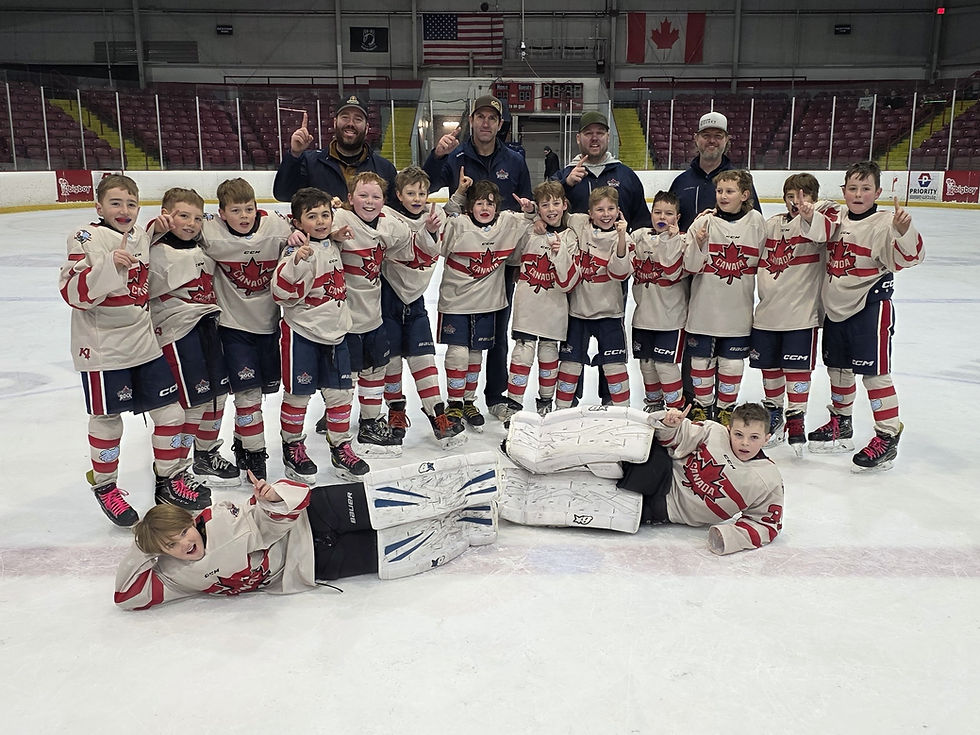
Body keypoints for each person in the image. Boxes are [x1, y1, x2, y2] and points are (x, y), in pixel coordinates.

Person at [114, 452, 499, 610]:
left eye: (181, 533)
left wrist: (270, 500)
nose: (185, 545)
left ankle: (466, 490)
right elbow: (126, 596)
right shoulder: (176, 575)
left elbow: (274, 520)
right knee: (391, 545)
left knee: (395, 502)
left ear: (188, 521)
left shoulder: (219, 514)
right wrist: (145, 539)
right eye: (171, 545)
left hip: (315, 517)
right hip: (314, 564)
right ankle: (466, 522)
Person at [58, 175, 210, 527]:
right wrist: (110, 265)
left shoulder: (141, 233)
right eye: (115, 203)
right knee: (108, 422)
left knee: (171, 414)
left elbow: (153, 231)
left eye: (130, 204)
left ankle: (170, 480)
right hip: (102, 349)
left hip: (144, 344)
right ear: (98, 207)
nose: (123, 211)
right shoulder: (85, 237)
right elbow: (74, 295)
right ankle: (106, 486)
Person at [498, 403, 784, 555]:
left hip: (666, 510)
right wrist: (670, 424)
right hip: (661, 473)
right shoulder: (713, 432)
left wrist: (730, 536)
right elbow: (676, 438)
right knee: (614, 448)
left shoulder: (767, 479)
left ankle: (529, 491)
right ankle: (533, 446)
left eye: (754, 437)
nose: (744, 443)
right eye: (739, 434)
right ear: (729, 428)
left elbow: (767, 523)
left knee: (594, 496)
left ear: (767, 439)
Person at [802, 161, 923, 472]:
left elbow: (911, 258)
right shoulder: (835, 216)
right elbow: (815, 229)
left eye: (865, 188)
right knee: (838, 369)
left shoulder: (886, 223)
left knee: (875, 374)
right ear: (844, 190)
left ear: (877, 192)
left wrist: (904, 230)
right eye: (852, 188)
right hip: (835, 306)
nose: (858, 194)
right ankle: (841, 423)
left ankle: (887, 436)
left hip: (870, 306)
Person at [423, 94, 533, 420]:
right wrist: (436, 155)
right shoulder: (456, 155)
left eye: (492, 118)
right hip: (467, 257)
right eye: (480, 117)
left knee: (496, 334)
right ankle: (460, 399)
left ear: (500, 125)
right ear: (471, 120)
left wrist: (516, 256)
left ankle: (494, 396)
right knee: (463, 346)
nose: (486, 123)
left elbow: (523, 205)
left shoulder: (514, 160)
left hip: (500, 259)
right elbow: (425, 185)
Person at [331, 172, 441, 456]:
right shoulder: (338, 220)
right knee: (345, 383)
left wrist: (428, 232)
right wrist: (323, 231)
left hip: (373, 316)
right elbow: (307, 227)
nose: (369, 202)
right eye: (363, 195)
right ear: (350, 198)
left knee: (375, 372)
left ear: (384, 200)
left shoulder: (391, 225)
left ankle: (369, 424)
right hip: (345, 319)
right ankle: (339, 442)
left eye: (375, 196)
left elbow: (415, 252)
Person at [201, 178, 293, 480]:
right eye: (236, 210)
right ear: (222, 213)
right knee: (247, 396)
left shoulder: (277, 228)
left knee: (261, 394)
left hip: (269, 327)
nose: (244, 216)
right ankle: (256, 456)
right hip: (233, 328)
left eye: (249, 209)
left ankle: (242, 444)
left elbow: (308, 225)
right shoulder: (209, 231)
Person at [271, 187, 365, 483]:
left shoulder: (332, 242)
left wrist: (335, 230)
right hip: (303, 334)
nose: (322, 221)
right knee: (298, 396)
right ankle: (293, 446)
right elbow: (279, 293)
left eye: (325, 215)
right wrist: (296, 261)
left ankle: (340, 448)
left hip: (336, 334)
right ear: (297, 223)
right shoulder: (295, 252)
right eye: (312, 217)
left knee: (340, 395)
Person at [148, 187, 240, 489]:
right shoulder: (155, 252)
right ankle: (179, 467)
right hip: (177, 335)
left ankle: (205, 453)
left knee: (216, 396)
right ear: (165, 216)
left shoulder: (204, 247)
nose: (191, 223)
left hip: (209, 329)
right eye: (183, 216)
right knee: (192, 403)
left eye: (198, 217)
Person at [438, 176, 535, 430]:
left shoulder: (507, 223)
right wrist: (458, 194)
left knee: (475, 354)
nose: (485, 208)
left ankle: (469, 401)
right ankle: (454, 403)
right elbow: (439, 223)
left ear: (497, 207)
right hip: (456, 302)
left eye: (490, 203)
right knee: (457, 354)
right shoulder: (458, 224)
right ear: (470, 207)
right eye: (479, 203)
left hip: (488, 304)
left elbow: (532, 221)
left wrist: (531, 209)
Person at [379, 166, 466, 448]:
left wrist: (458, 198)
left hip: (415, 301)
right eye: (410, 193)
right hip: (387, 298)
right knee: (391, 362)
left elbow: (451, 217)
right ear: (398, 195)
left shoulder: (435, 216)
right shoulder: (387, 218)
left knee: (424, 359)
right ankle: (395, 410)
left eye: (422, 192)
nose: (417, 198)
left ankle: (436, 414)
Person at [752, 174, 838, 454]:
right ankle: (775, 412)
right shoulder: (773, 224)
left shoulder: (820, 219)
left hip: (801, 314)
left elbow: (825, 231)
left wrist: (810, 212)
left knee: (797, 369)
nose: (796, 202)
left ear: (814, 197)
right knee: (770, 367)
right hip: (766, 311)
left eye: (802, 196)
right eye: (790, 196)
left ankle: (796, 415)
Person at [683, 170, 766, 426]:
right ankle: (702, 407)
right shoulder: (703, 223)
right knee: (700, 362)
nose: (722, 196)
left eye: (729, 191)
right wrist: (698, 244)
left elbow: (767, 265)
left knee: (731, 365)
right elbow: (689, 265)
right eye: (719, 191)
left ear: (745, 195)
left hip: (737, 311)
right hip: (704, 310)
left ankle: (725, 410)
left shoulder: (757, 222)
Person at [495, 180, 579, 423]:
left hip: (554, 306)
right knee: (522, 352)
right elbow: (511, 254)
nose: (551, 209)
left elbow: (568, 282)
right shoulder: (531, 230)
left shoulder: (571, 237)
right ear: (538, 208)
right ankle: (513, 402)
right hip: (527, 304)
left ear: (565, 205)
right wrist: (528, 218)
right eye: (544, 204)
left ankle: (545, 402)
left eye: (555, 203)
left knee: (549, 352)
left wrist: (559, 252)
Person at [554, 186, 633, 409]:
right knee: (570, 364)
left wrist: (620, 238)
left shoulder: (625, 237)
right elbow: (555, 215)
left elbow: (619, 273)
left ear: (618, 211)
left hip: (609, 312)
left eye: (610, 209)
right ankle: (562, 410)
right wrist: (536, 218)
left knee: (614, 365)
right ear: (590, 213)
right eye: (599, 209)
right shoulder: (579, 225)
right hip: (578, 311)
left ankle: (621, 411)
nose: (605, 214)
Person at [628, 190, 689, 413]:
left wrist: (670, 241)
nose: (662, 217)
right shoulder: (639, 236)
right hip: (643, 316)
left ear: (678, 217)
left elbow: (672, 272)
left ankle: (675, 409)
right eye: (657, 212)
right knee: (646, 365)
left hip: (670, 318)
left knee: (666, 366)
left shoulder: (682, 240)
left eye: (669, 213)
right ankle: (654, 405)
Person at [273, 95, 397, 204]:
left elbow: (395, 211)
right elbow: (283, 195)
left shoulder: (385, 169)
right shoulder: (309, 162)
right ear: (334, 122)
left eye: (358, 119)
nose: (351, 123)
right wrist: (295, 154)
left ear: (367, 128)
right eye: (345, 117)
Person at [552, 111, 652, 230]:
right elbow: (545, 214)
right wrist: (566, 184)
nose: (594, 138)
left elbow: (642, 222)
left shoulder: (626, 176)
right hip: (576, 248)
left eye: (600, 133)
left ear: (608, 137)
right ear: (578, 138)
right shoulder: (563, 176)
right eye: (588, 133)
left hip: (618, 247)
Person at [669, 111, 761, 234]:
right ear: (696, 138)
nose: (712, 140)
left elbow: (755, 226)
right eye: (706, 136)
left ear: (726, 139)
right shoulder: (681, 182)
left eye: (718, 136)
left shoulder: (740, 181)